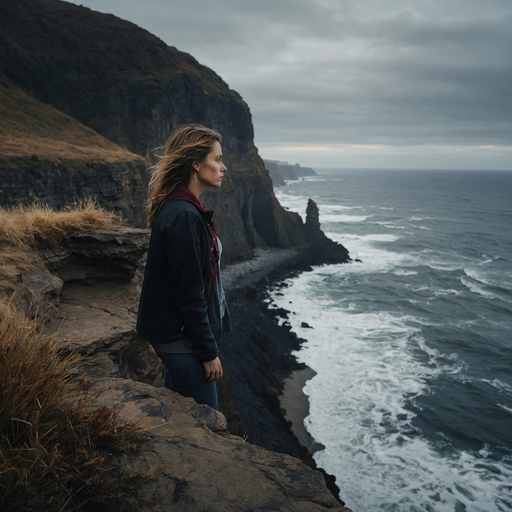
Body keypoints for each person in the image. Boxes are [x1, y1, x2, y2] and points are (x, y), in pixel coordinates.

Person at [136, 124, 231, 410]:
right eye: (217, 159)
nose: (223, 167)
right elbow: (190, 293)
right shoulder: (185, 216)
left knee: (176, 417)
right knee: (207, 431)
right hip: (183, 342)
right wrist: (208, 352)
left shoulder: (180, 207)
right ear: (195, 163)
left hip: (177, 339)